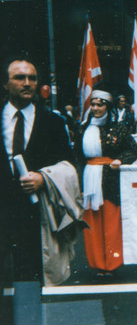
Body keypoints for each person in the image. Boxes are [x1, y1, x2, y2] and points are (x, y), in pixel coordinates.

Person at [0, 57, 78, 287]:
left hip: (35, 213)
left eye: (32, 78)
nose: (27, 83)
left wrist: (44, 177)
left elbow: (69, 164)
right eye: (19, 78)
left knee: (30, 281)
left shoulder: (53, 122)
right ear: (5, 84)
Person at [74, 90, 137, 277]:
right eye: (93, 105)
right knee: (92, 222)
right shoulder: (83, 128)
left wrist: (120, 160)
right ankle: (97, 265)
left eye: (100, 105)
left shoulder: (118, 128)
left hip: (110, 180)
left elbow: (133, 149)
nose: (95, 108)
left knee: (111, 222)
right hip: (89, 178)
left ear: (107, 107)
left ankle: (111, 264)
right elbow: (78, 156)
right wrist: (79, 181)